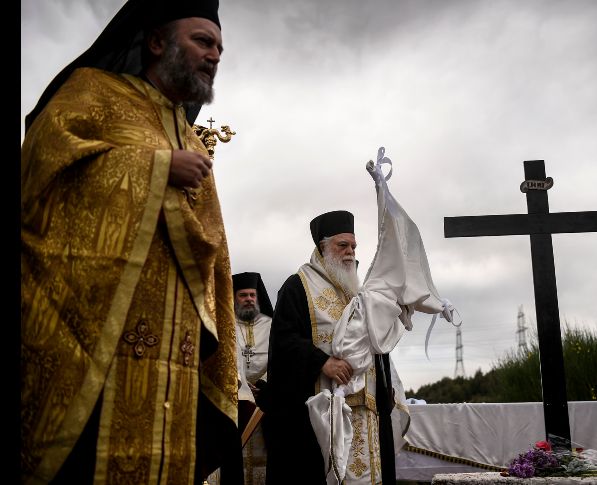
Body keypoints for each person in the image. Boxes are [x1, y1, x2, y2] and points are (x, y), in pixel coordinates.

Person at [21, 1, 242, 483]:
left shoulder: (190, 134)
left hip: (177, 355)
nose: (214, 55)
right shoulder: (92, 93)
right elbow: (40, 176)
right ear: (157, 41)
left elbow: (214, 249)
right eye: (203, 41)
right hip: (92, 347)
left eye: (220, 48)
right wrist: (156, 167)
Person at [263, 210, 397, 485]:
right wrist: (321, 362)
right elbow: (283, 341)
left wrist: (384, 388)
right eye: (342, 245)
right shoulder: (297, 287)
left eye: (354, 246)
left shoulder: (360, 289)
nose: (350, 252)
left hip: (363, 411)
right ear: (323, 247)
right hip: (318, 416)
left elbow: (375, 341)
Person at [232, 272, 273, 484]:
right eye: (243, 295)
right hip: (235, 398)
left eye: (252, 295)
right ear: (234, 297)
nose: (249, 299)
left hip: (266, 401)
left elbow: (281, 358)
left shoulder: (271, 326)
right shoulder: (226, 325)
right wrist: (238, 380)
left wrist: (264, 382)